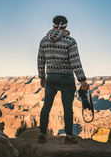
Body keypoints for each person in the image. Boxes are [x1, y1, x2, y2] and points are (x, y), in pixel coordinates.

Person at [37, 15, 89, 144]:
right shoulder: (70, 41)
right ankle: (69, 136)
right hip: (66, 79)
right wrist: (82, 80)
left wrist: (42, 77)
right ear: (66, 25)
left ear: (53, 25)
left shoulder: (44, 41)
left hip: (51, 78)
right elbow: (75, 61)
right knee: (67, 108)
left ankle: (42, 134)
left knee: (46, 106)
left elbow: (40, 60)